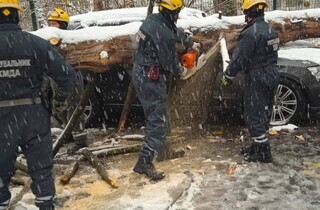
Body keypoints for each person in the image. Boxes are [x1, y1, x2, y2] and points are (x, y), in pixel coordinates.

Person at [0, 1, 77, 209]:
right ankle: (45, 203)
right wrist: (59, 101)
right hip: (33, 116)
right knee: (42, 174)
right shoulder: (36, 44)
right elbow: (69, 77)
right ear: (16, 16)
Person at [132, 0, 200, 181]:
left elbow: (170, 31)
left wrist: (188, 40)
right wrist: (183, 71)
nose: (177, 15)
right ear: (171, 12)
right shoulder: (162, 32)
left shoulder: (155, 19)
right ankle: (144, 162)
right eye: (176, 12)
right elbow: (171, 62)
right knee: (157, 120)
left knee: (161, 114)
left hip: (142, 72)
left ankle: (163, 149)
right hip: (149, 77)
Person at [221, 0, 279, 163]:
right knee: (265, 112)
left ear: (250, 13)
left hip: (257, 77)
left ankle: (263, 152)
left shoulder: (250, 33)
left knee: (254, 114)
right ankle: (257, 145)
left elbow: (239, 58)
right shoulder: (270, 30)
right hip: (272, 74)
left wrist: (228, 76)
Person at [47, 8, 88, 151]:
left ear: (63, 24)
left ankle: (81, 141)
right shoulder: (49, 41)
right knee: (59, 109)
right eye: (50, 23)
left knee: (74, 108)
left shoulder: (71, 39)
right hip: (56, 79)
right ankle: (69, 133)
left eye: (55, 24)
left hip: (72, 77)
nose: (51, 26)